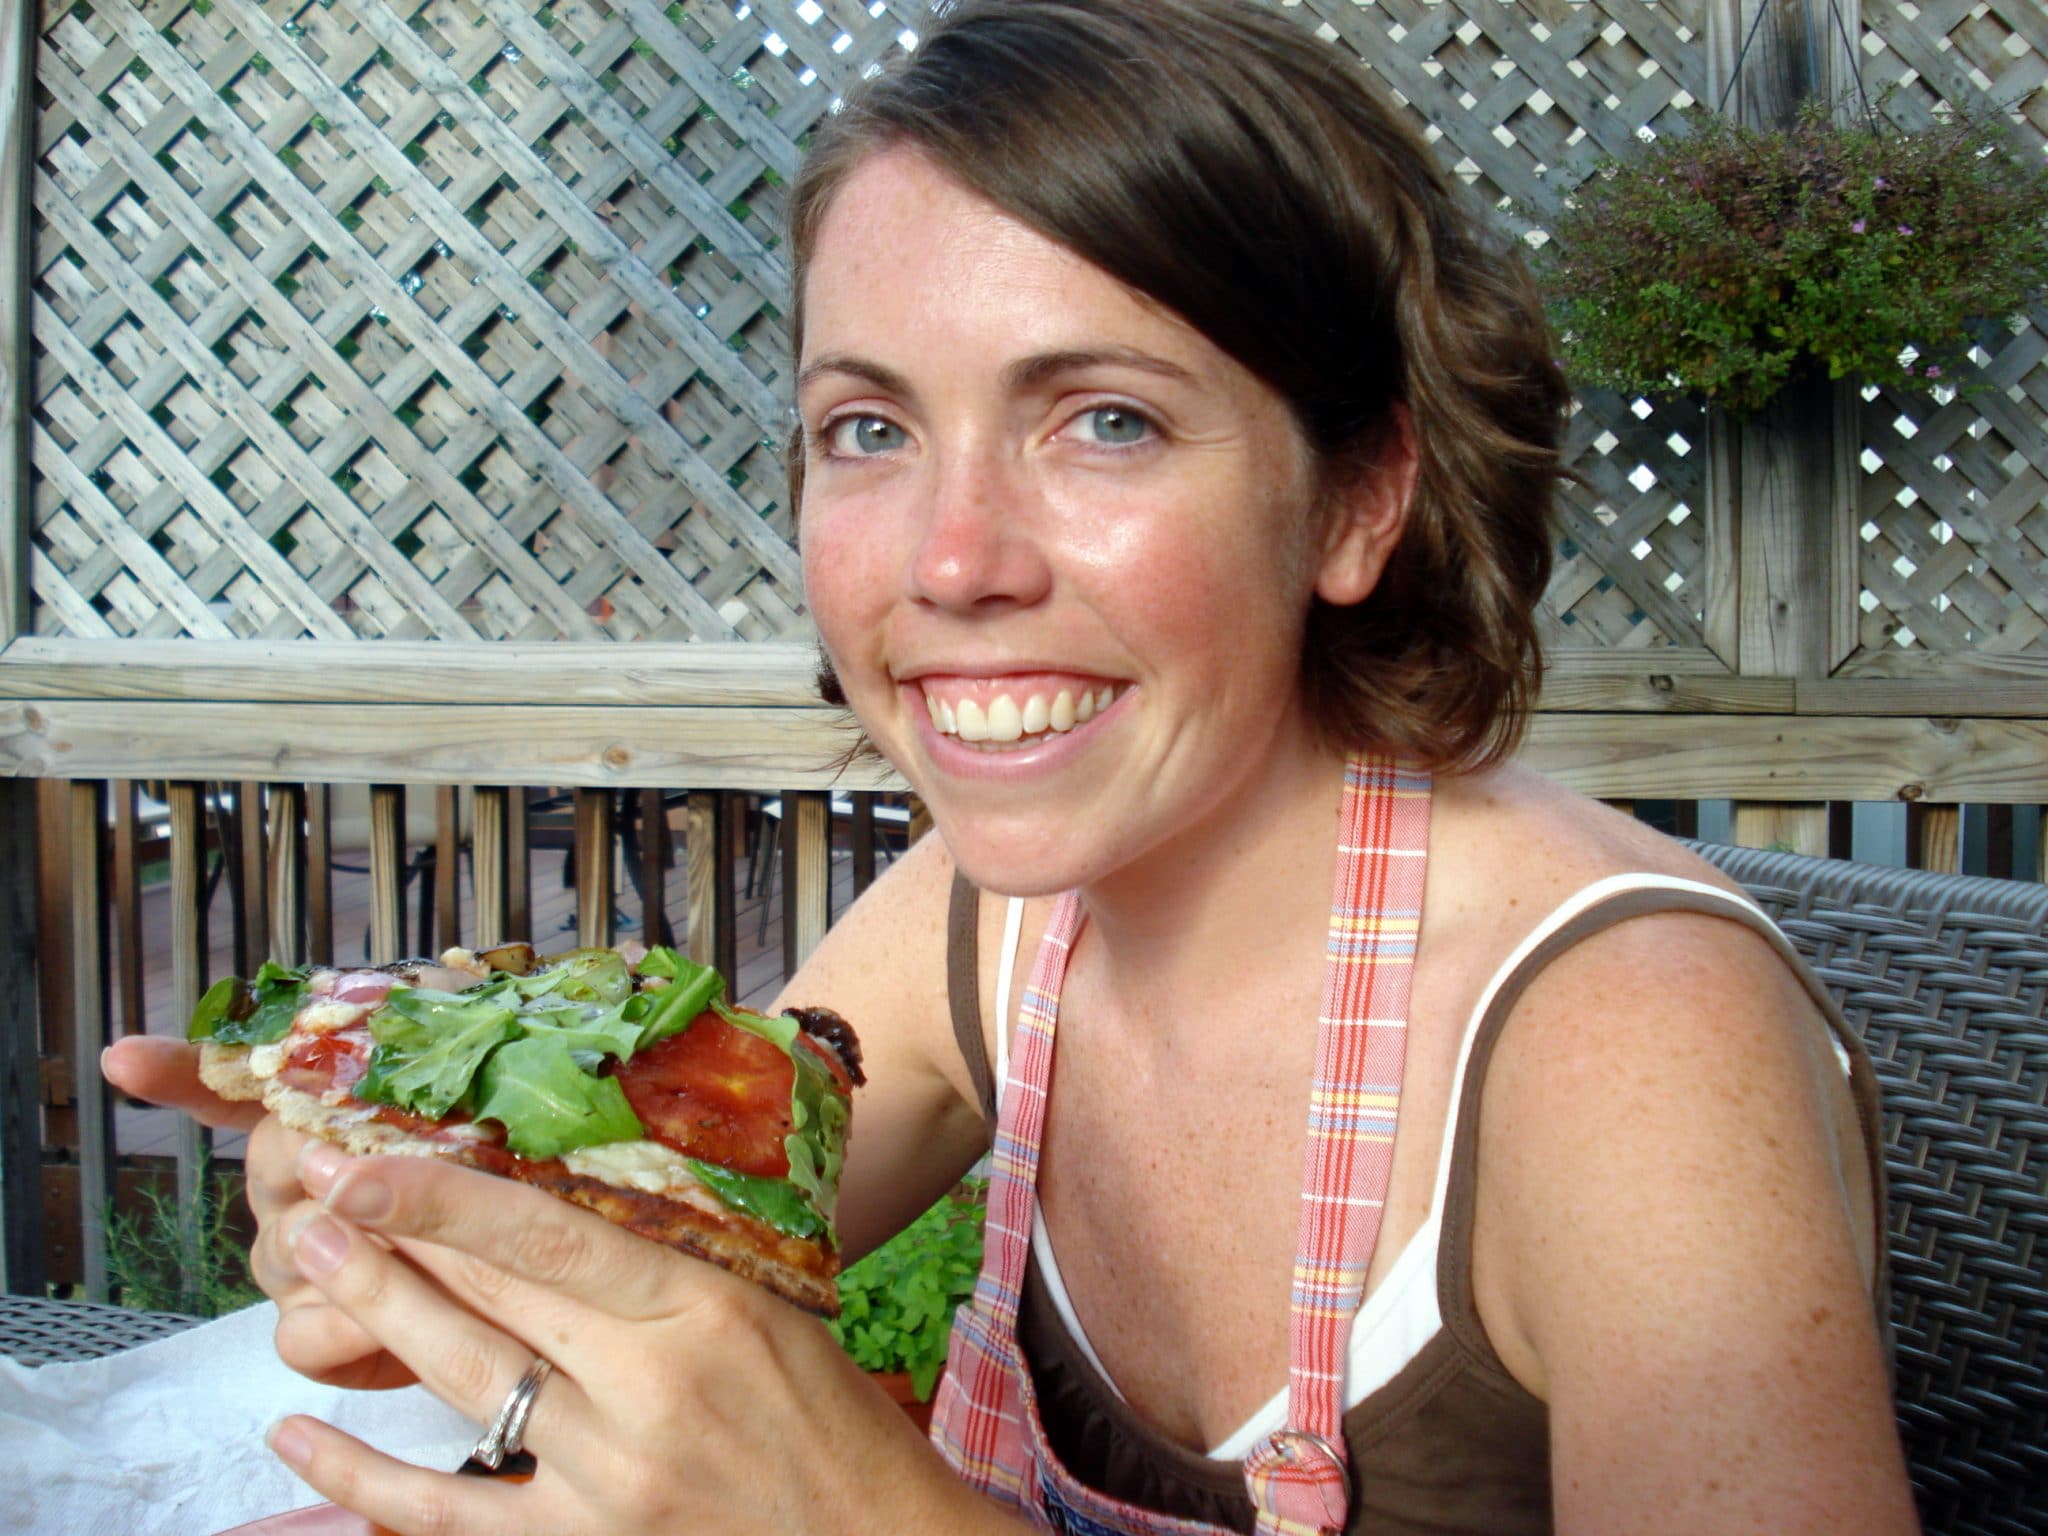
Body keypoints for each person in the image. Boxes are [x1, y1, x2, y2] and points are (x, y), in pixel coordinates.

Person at [106, 2, 1922, 1532]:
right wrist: (397, 1213)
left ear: (1360, 497)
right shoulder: (991, 924)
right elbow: (658, 1239)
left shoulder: (1627, 1051)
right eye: (869, 428)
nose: (952, 560)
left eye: (1105, 420)